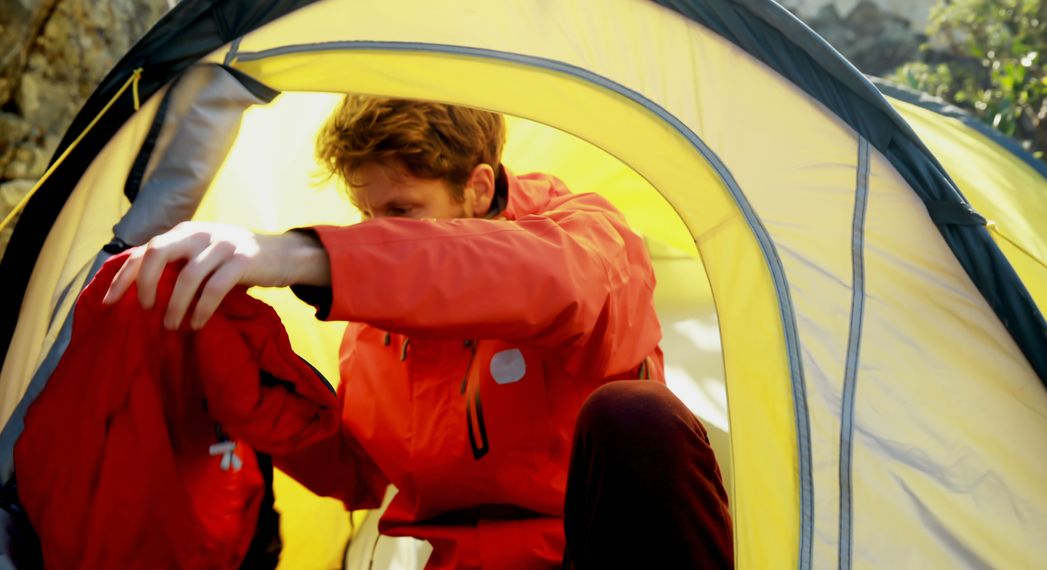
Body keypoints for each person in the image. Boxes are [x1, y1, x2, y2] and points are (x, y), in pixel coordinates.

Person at [103, 96, 732, 569]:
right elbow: (361, 474)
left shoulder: (587, 237)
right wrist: (226, 358)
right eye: (366, 214)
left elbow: (554, 283)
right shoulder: (373, 328)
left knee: (638, 417)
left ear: (477, 187)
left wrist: (311, 256)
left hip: (597, 552)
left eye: (402, 212)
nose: (378, 230)